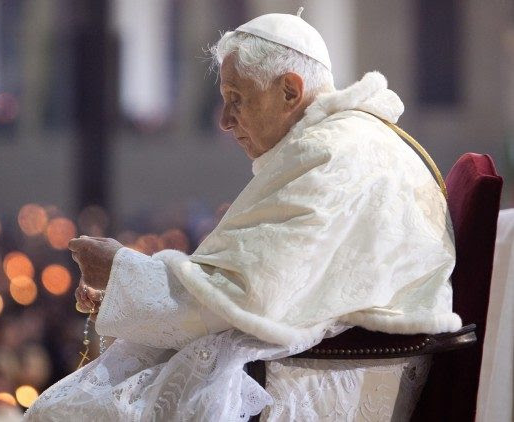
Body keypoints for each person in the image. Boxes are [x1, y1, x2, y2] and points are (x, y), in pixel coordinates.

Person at [26, 10, 459, 421]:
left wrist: (122, 270)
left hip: (339, 377)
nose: (226, 120)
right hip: (338, 363)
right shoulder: (345, 141)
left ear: (290, 90)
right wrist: (127, 282)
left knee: (67, 411)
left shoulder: (329, 153)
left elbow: (245, 296)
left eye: (237, 98)